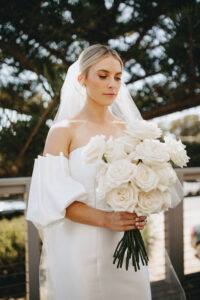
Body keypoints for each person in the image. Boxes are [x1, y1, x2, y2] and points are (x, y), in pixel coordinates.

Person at [26, 44, 185, 300]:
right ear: (82, 80)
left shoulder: (131, 130)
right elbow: (50, 200)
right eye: (103, 76)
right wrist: (105, 219)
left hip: (126, 247)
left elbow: (148, 183)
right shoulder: (62, 132)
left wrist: (143, 204)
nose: (112, 84)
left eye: (118, 77)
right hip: (80, 248)